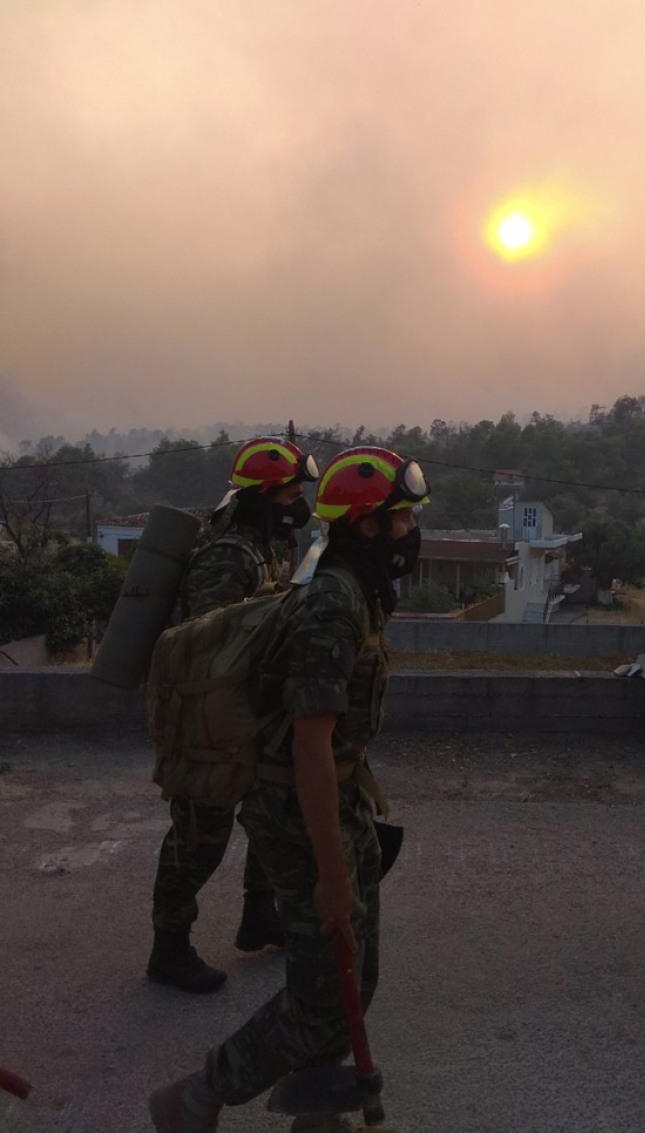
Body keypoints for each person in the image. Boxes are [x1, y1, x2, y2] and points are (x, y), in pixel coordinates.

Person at [148, 446, 429, 1132]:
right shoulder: (332, 604)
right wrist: (332, 873)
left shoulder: (353, 590)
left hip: (338, 799)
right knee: (322, 994)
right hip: (301, 812)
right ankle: (197, 1096)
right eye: (399, 520)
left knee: (353, 973)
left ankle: (317, 1108)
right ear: (365, 526)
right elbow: (308, 745)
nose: (408, 532)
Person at [147, 436, 320, 994]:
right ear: (264, 496)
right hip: (208, 716)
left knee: (273, 813)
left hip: (248, 711)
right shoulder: (227, 555)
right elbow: (206, 643)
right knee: (199, 836)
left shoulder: (260, 544)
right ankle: (168, 949)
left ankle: (258, 915)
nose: (300, 502)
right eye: (292, 492)